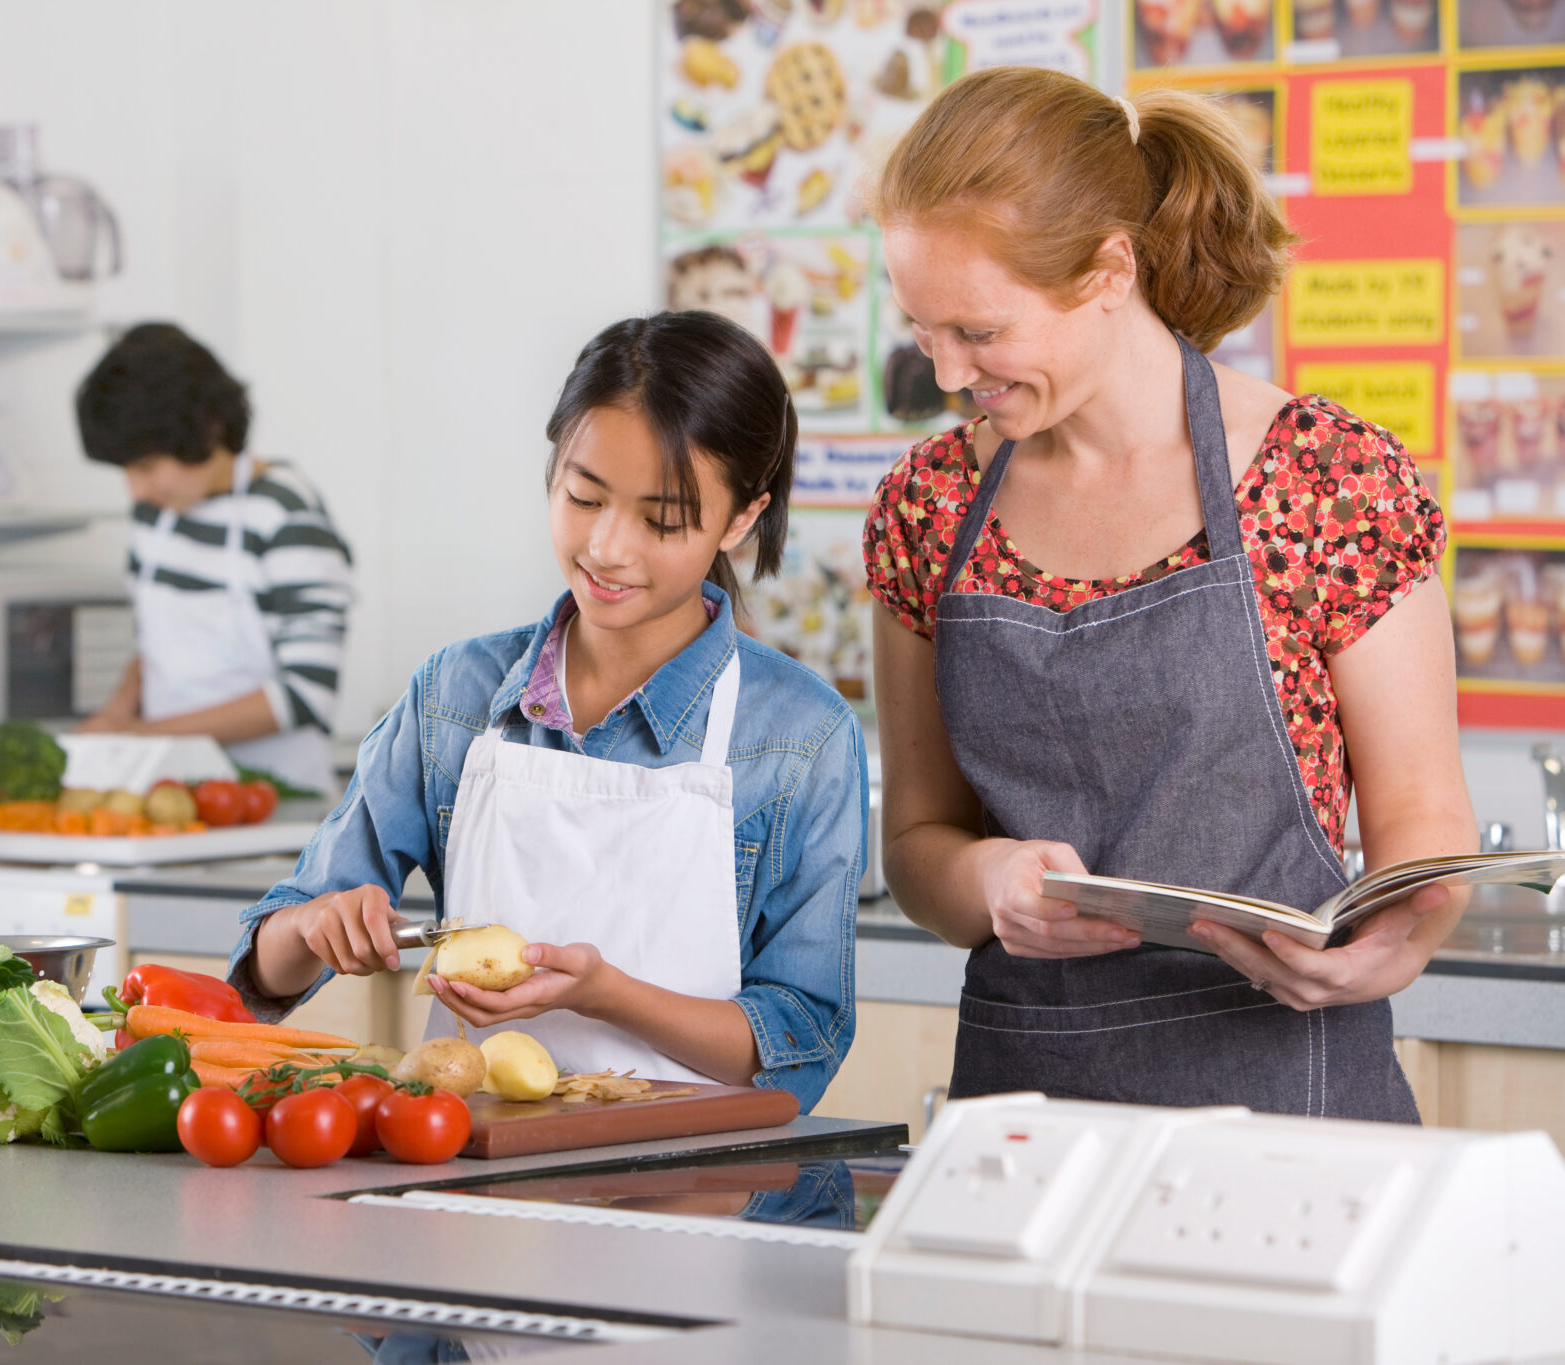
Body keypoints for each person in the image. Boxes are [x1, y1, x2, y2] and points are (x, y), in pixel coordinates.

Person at [864, 68, 1473, 1120]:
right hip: (1024, 1114)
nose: (951, 373)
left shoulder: (1323, 478)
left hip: (1291, 1099)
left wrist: (1390, 946)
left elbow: (1421, 817)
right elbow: (918, 846)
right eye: (923, 331)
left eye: (979, 332)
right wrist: (990, 884)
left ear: (1107, 270)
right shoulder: (928, 506)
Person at [225, 312, 866, 1108]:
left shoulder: (799, 736)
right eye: (584, 495)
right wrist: (312, 930)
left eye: (661, 520)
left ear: (740, 518)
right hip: (466, 1181)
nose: (607, 546)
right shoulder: (455, 697)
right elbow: (265, 968)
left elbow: (801, 1042)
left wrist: (603, 993)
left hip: (694, 1198)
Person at [71, 324, 353, 799]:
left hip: (276, 801)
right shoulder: (154, 515)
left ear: (206, 429)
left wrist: (143, 736)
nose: (135, 490)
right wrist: (117, 715)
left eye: (144, 466)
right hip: (171, 792)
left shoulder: (287, 514)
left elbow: (306, 695)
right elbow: (157, 647)